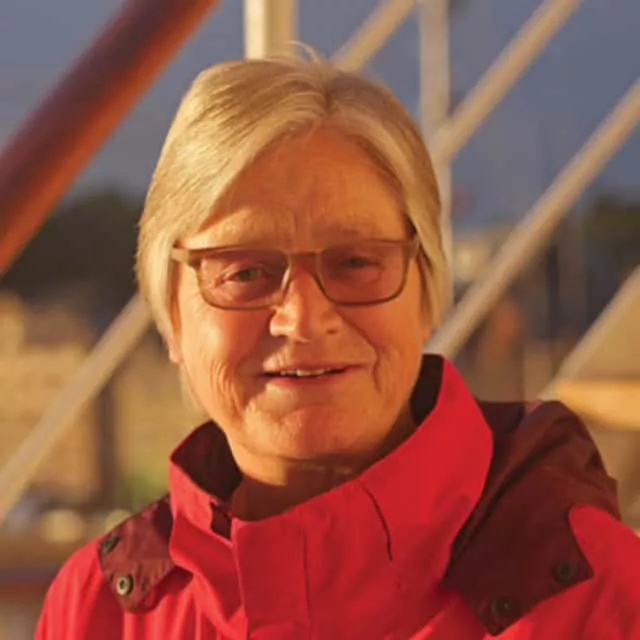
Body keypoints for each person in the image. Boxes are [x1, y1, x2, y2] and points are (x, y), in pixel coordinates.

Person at [35, 54, 640, 640]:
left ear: (427, 294)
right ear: (171, 316)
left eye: (356, 262)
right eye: (245, 272)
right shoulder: (96, 613)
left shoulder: (603, 604)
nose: (303, 320)